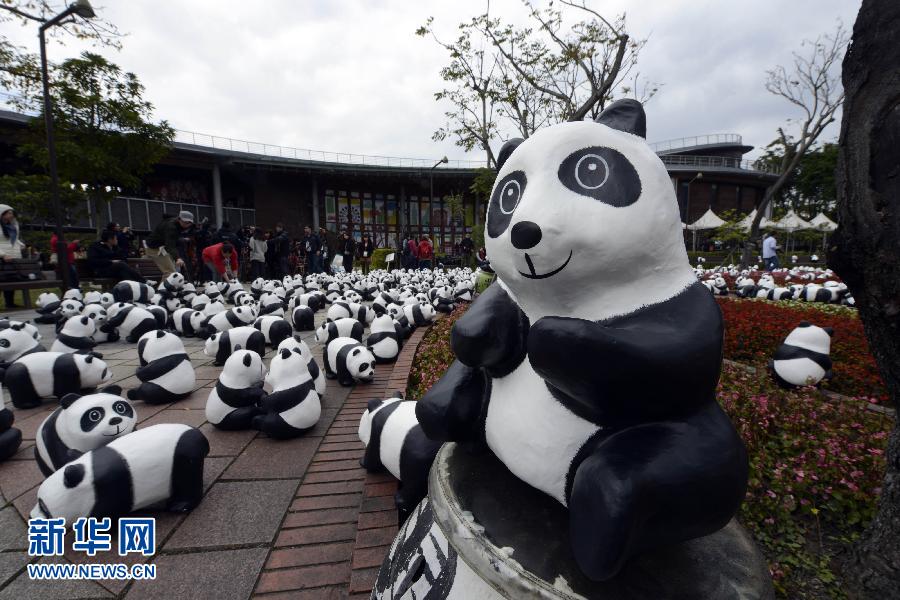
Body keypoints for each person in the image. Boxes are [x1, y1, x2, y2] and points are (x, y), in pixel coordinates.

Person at [146, 210, 193, 277]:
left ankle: (167, 286)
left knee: (173, 271)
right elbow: (170, 245)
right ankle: (164, 287)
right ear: (179, 219)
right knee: (170, 272)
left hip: (162, 247)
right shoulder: (171, 227)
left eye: (189, 223)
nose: (187, 225)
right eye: (185, 222)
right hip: (154, 248)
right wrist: (177, 258)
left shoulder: (176, 222)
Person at [0, 205, 26, 308]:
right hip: (3, 256)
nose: (11, 215)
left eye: (12, 213)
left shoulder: (13, 225)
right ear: (2, 214)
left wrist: (20, 244)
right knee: (2, 280)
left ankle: (10, 303)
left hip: (13, 255)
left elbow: (13, 239)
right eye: (9, 213)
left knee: (10, 279)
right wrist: (3, 255)